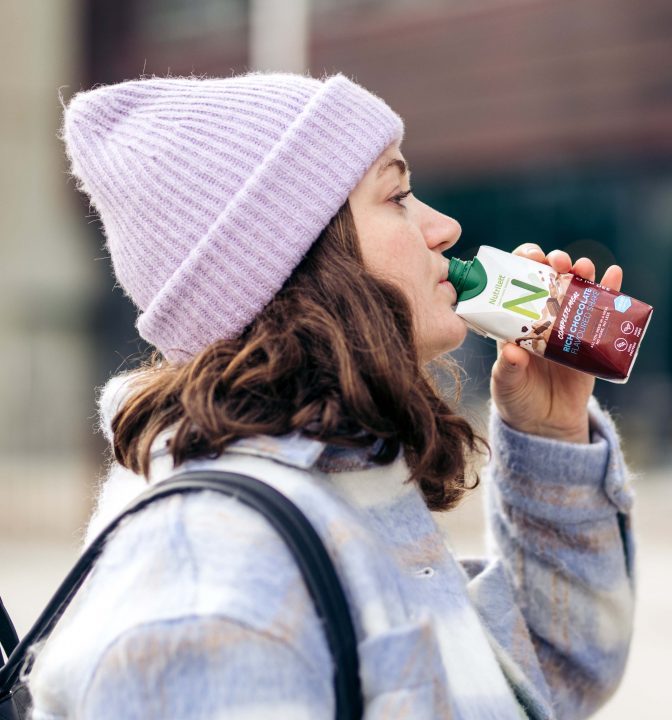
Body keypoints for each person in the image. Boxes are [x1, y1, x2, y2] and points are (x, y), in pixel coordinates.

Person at [25, 72, 637, 720]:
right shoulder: (210, 584)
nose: (444, 226)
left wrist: (550, 434)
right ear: (293, 256)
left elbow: (542, 679)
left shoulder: (343, 481)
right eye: (396, 194)